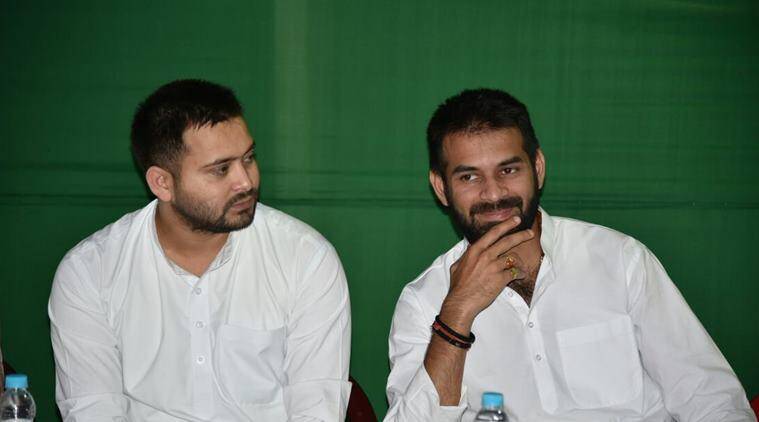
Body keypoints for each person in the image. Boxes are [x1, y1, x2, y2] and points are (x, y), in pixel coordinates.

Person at [385, 88, 754, 421]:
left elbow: (710, 399)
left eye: (508, 169)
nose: (494, 193)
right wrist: (457, 312)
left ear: (538, 168)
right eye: (469, 177)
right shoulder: (424, 301)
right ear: (441, 187)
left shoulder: (620, 260)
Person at [49, 79, 351, 421]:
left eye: (249, 158)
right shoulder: (89, 273)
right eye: (221, 169)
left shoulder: (304, 258)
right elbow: (94, 412)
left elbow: (317, 411)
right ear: (162, 183)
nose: (245, 181)